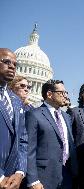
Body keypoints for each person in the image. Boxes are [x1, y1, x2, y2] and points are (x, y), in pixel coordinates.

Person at [25, 80, 78, 189]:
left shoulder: (66, 117)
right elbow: (29, 149)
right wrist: (33, 180)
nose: (65, 95)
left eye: (66, 92)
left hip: (67, 175)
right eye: (62, 92)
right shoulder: (34, 115)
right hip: (44, 177)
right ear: (49, 94)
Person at [0, 48, 27, 189]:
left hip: (12, 180)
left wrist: (20, 171)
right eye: (6, 62)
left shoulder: (16, 101)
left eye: (15, 64)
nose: (12, 66)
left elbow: (22, 139)